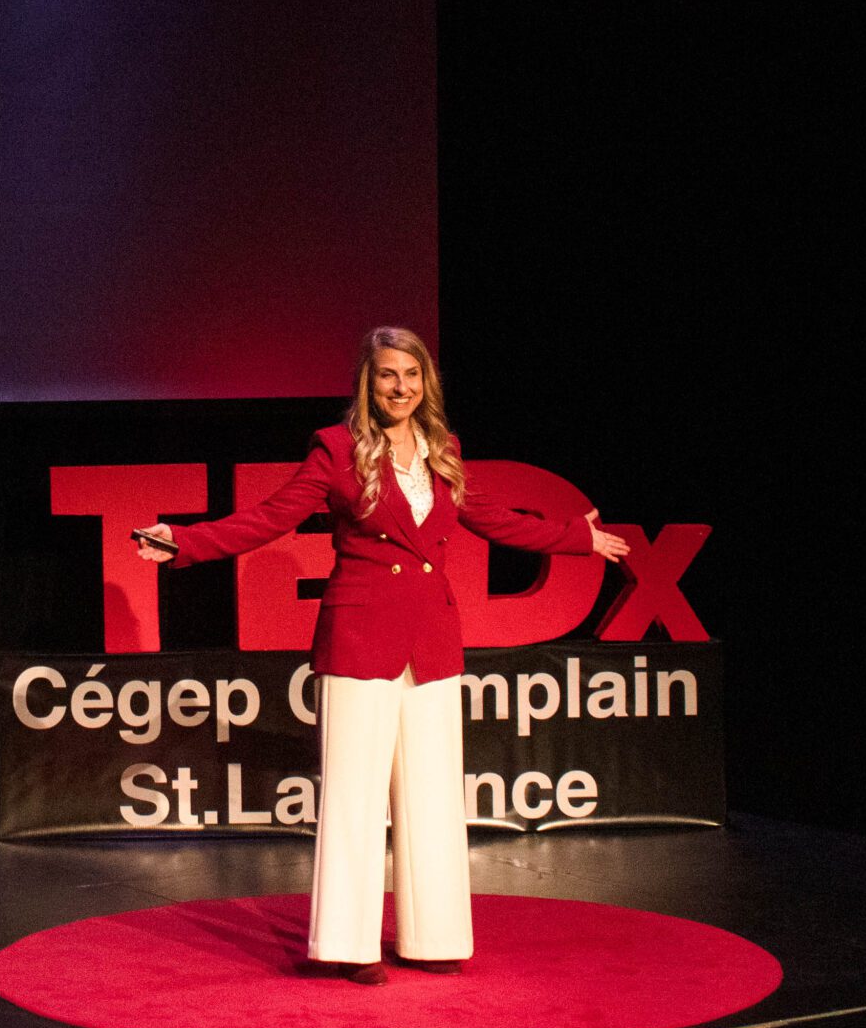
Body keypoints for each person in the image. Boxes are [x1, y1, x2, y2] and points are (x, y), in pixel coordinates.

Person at [136, 326, 630, 983]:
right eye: (387, 375)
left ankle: (434, 938)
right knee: (355, 795)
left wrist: (576, 538)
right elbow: (271, 517)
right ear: (367, 384)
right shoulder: (336, 451)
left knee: (431, 794)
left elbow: (496, 519)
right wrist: (187, 542)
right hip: (360, 636)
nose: (400, 386)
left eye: (412, 374)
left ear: (427, 382)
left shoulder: (443, 451)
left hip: (431, 640)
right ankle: (347, 945)